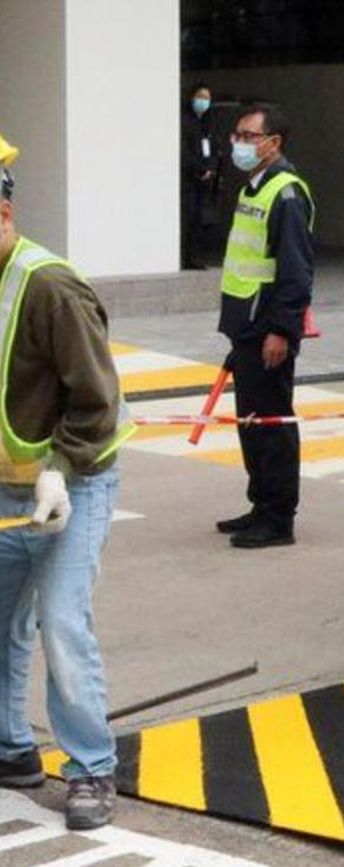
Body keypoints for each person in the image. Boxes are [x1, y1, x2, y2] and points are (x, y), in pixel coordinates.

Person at [0, 120, 134, 831]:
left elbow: (98, 399)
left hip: (77, 483)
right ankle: (7, 748)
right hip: (7, 488)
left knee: (63, 623)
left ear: (5, 209)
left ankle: (92, 767)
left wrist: (60, 470)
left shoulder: (53, 289)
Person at [215, 102, 315, 549]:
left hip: (268, 332)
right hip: (246, 327)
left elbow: (295, 274)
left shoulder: (287, 194)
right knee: (251, 422)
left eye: (249, 136)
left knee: (272, 425)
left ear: (273, 143)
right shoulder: (252, 188)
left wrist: (282, 332)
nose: (239, 143)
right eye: (237, 135)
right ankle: (260, 504)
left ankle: (278, 519)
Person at [181, 83, 223, 270]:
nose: (203, 101)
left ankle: (197, 257)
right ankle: (187, 257)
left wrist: (211, 169)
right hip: (190, 178)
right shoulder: (185, 121)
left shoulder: (209, 122)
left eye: (207, 98)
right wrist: (199, 169)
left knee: (201, 219)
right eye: (200, 96)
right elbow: (184, 152)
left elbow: (215, 149)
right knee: (189, 218)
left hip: (206, 179)